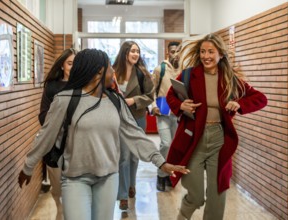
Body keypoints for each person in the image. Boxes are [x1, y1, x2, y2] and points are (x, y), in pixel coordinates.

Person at [18, 48, 189, 220]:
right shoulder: (65, 99)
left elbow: (134, 135)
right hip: (75, 178)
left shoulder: (116, 101)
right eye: (109, 68)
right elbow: (45, 136)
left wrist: (160, 162)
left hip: (108, 178)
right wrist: (29, 166)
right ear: (97, 73)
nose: (113, 72)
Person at [165, 34, 268, 220]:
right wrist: (180, 106)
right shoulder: (190, 75)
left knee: (217, 194)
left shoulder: (229, 79)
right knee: (195, 195)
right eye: (203, 51)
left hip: (219, 139)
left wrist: (240, 104)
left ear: (220, 54)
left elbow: (261, 98)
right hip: (194, 138)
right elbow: (170, 96)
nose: (206, 56)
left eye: (211, 52)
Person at [113, 41, 155, 210]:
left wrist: (134, 100)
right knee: (123, 156)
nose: (136, 54)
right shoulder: (114, 72)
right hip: (120, 119)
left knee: (134, 156)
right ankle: (122, 194)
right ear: (125, 53)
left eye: (137, 51)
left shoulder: (142, 73)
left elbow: (150, 96)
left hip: (138, 117)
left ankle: (132, 185)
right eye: (132, 51)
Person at [38, 48, 77, 220]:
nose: (73, 67)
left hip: (78, 145)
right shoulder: (52, 87)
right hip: (55, 145)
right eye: (70, 63)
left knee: (75, 188)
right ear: (62, 65)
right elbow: (42, 116)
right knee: (58, 189)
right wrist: (58, 116)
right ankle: (59, 211)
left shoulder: (84, 86)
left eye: (76, 64)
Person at [151, 41, 181, 191]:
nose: (176, 54)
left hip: (178, 115)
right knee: (166, 144)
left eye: (178, 51)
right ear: (168, 53)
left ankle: (170, 175)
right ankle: (160, 174)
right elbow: (151, 91)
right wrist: (154, 106)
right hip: (163, 113)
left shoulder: (184, 70)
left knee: (174, 147)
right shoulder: (160, 69)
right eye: (173, 51)